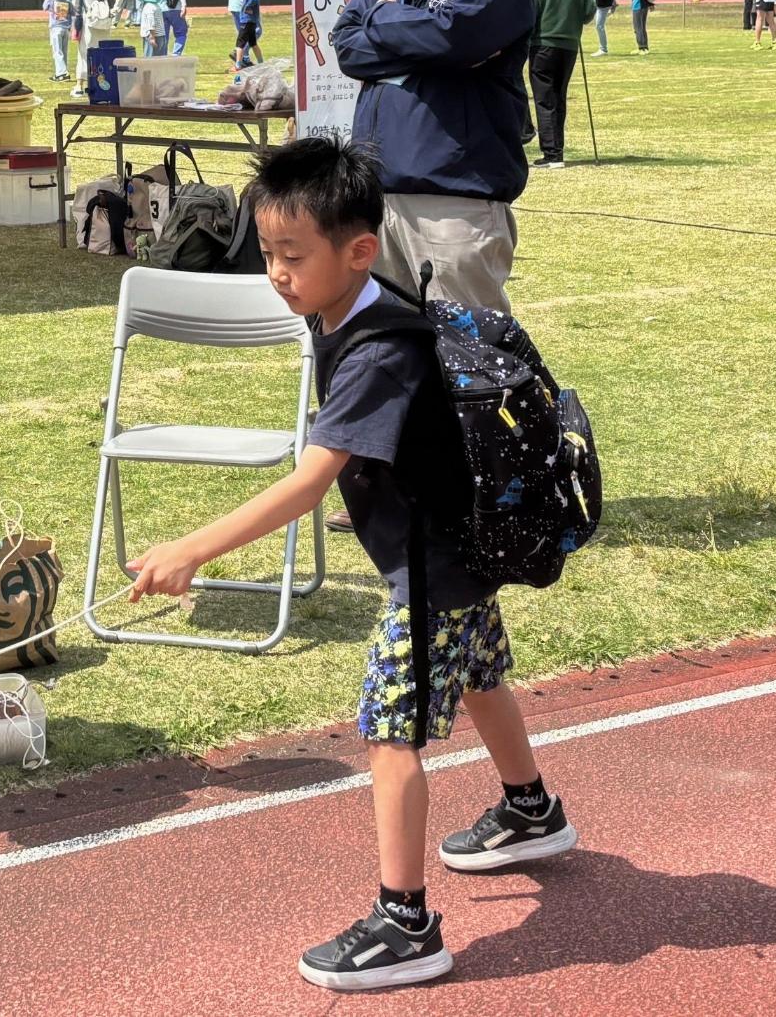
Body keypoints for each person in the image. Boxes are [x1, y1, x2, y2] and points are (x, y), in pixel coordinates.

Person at [126, 136, 573, 992]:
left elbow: (305, 480)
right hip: (450, 550)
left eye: (293, 256)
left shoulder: (376, 345)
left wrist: (192, 548)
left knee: (390, 732)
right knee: (479, 674)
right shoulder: (347, 310)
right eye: (267, 254)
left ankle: (406, 922)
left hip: (429, 567)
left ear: (359, 251)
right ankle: (531, 810)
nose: (277, 274)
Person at [332, 0, 538, 313]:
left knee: (468, 360)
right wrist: (414, 38)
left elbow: (458, 35)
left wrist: (382, 19)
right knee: (387, 356)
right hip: (376, 190)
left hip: (456, 194)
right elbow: (347, 47)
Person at [528, 0, 594, 170]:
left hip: (542, 43)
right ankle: (558, 149)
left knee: (544, 99)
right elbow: (589, 13)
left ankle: (552, 154)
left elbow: (529, 13)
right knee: (559, 96)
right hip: (569, 46)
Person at [70, 0, 124, 96]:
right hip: (104, 20)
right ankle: (101, 84)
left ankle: (79, 86)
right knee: (102, 53)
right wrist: (114, 10)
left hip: (88, 20)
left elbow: (75, 3)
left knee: (84, 53)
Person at [232, 0, 264, 68]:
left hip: (246, 21)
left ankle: (238, 64)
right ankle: (261, 62)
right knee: (253, 43)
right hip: (251, 22)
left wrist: (247, 7)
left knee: (240, 43)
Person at [43, 0, 71, 81]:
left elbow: (44, 7)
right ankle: (63, 72)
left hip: (56, 28)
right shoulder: (67, 0)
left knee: (57, 52)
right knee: (64, 51)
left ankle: (61, 73)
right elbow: (72, 13)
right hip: (66, 28)